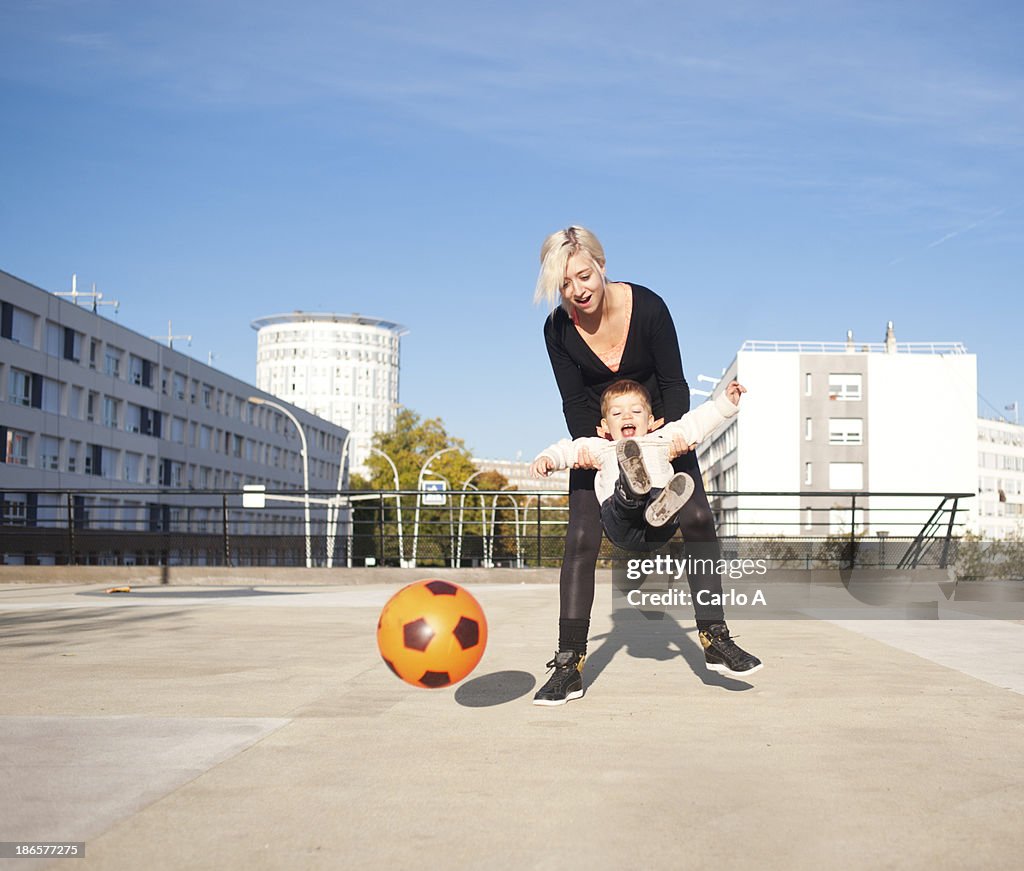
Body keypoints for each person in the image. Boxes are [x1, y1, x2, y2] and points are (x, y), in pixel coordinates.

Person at [531, 225, 761, 706]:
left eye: (583, 276)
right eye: (565, 285)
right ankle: (568, 663)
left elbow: (674, 382)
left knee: (698, 518)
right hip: (603, 438)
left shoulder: (649, 307)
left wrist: (665, 437)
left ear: (601, 264)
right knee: (580, 538)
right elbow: (573, 400)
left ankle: (714, 638)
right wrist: (597, 442)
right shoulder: (557, 329)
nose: (578, 292)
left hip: (657, 433)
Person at [531, 378, 745, 552]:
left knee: (658, 500)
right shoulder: (601, 447)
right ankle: (631, 490)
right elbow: (567, 449)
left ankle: (664, 504)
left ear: (651, 421)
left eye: (636, 411)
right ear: (604, 426)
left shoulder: (662, 438)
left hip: (657, 526)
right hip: (620, 524)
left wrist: (726, 402)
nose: (626, 416)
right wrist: (548, 459)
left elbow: (695, 424)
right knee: (623, 501)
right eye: (617, 413)